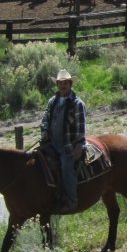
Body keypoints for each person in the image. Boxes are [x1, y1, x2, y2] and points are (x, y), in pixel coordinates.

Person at [40, 69, 87, 211]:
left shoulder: (77, 104)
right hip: (51, 143)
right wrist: (45, 132)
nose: (63, 86)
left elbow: (80, 127)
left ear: (70, 84)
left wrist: (79, 144)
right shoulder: (52, 101)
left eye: (65, 83)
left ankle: (72, 202)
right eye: (60, 83)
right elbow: (45, 120)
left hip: (68, 145)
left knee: (67, 168)